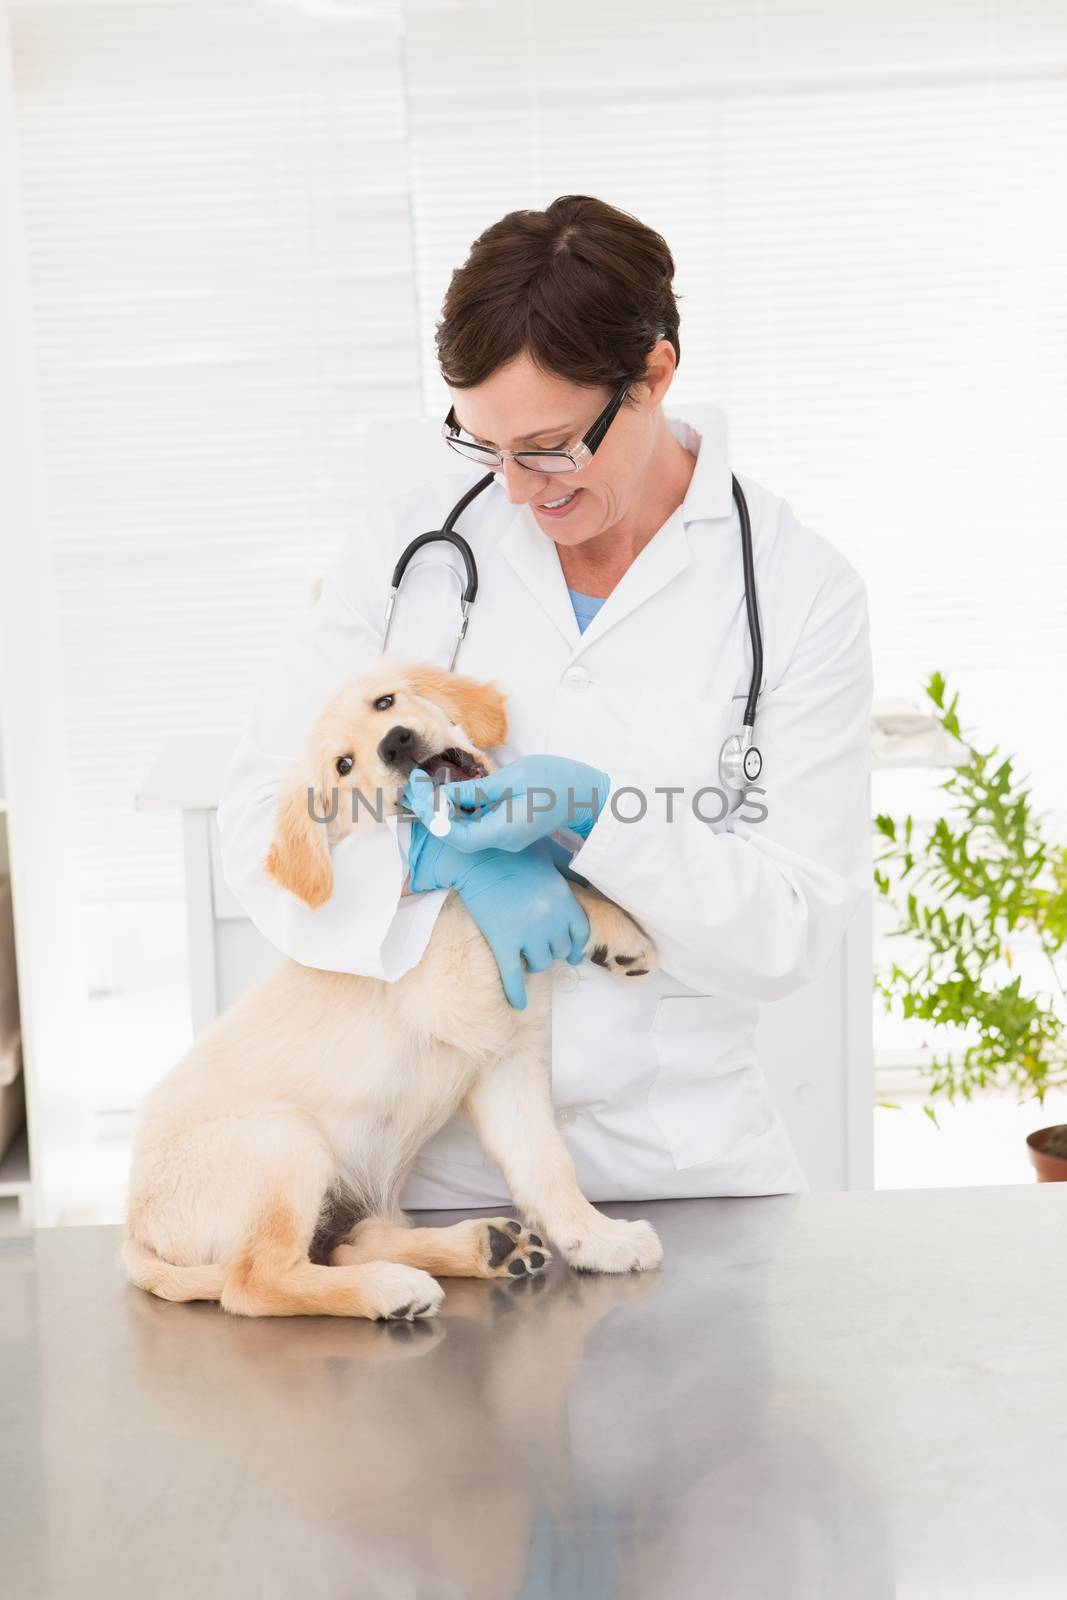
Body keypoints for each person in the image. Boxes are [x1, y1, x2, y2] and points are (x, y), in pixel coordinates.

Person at [217, 193, 873, 1210]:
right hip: (428, 1167)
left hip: (682, 1161)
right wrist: (432, 871)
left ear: (652, 375)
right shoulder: (408, 554)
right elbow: (258, 821)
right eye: (484, 446)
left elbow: (788, 932)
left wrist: (596, 818)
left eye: (551, 446)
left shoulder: (795, 590)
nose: (517, 494)